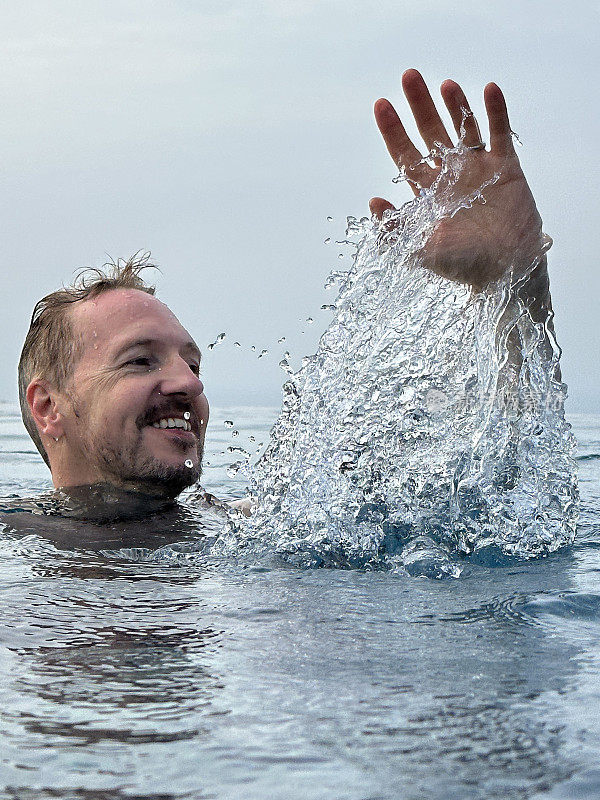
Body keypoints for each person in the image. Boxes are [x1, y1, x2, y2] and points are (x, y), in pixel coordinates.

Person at [2, 70, 555, 533]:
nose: (191, 385)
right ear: (48, 407)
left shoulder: (250, 527)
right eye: (140, 360)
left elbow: (510, 485)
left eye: (193, 365)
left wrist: (518, 278)